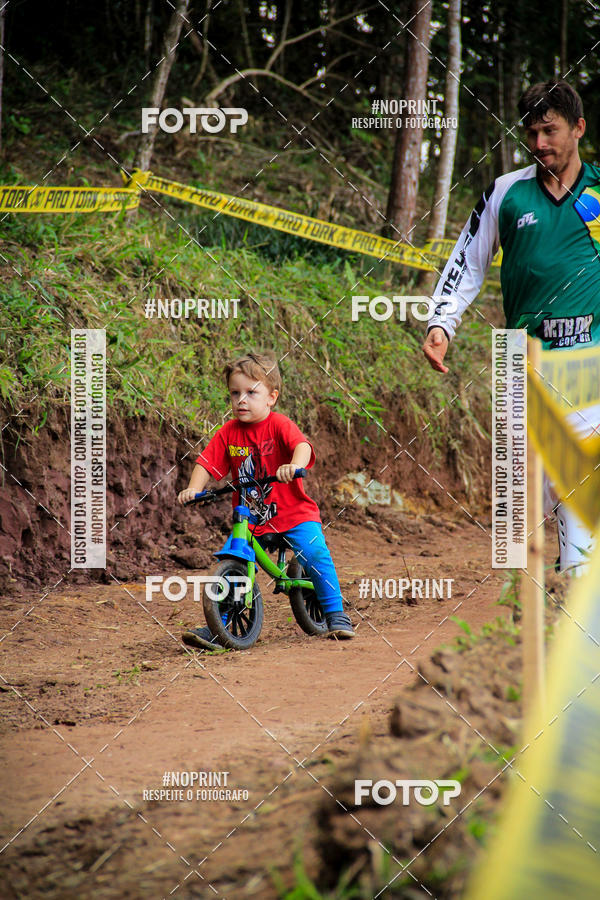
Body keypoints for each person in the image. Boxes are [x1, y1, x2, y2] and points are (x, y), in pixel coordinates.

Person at [422, 80, 600, 576]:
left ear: (578, 128)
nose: (540, 143)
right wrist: (442, 322)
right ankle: (522, 601)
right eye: (532, 132)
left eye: (551, 130)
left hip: (590, 356)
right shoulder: (507, 193)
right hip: (519, 357)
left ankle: (575, 586)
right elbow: (468, 260)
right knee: (518, 501)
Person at [177, 350, 355, 646]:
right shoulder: (227, 433)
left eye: (251, 392)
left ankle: (336, 614)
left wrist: (294, 465)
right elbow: (206, 463)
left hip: (293, 514)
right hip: (251, 518)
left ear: (271, 397)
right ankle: (220, 626)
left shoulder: (279, 425)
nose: (241, 400)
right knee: (232, 564)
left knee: (315, 554)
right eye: (235, 393)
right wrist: (194, 488)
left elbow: (303, 446)